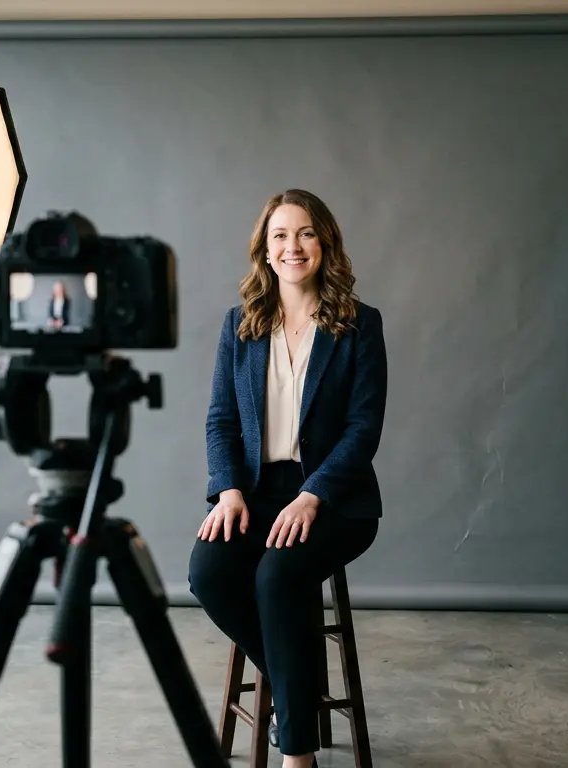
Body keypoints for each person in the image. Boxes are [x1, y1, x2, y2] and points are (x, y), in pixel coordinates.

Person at [189, 189, 388, 768]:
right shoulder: (241, 325)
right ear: (265, 248)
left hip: (335, 499)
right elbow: (221, 420)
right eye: (280, 235)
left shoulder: (359, 324)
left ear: (324, 243)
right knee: (208, 572)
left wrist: (312, 495)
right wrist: (228, 491)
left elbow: (363, 429)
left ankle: (297, 756)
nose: (292, 246)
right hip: (255, 494)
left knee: (277, 577)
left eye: (305, 233)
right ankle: (296, 688)